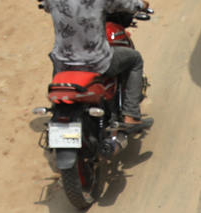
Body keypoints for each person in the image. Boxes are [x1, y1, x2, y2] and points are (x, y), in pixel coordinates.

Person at [42, 0, 153, 133]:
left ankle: (57, 112)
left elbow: (46, 6)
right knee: (135, 59)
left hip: (64, 64)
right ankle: (131, 116)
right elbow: (126, 4)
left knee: (57, 61)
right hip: (96, 62)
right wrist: (142, 5)